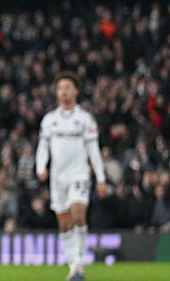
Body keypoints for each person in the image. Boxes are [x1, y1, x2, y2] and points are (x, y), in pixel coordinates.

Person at [36, 72, 107, 281]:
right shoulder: (50, 120)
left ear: (76, 91)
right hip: (57, 178)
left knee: (78, 213)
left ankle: (78, 262)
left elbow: (94, 150)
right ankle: (74, 267)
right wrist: (41, 166)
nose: (64, 92)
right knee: (64, 223)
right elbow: (43, 146)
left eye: (68, 87)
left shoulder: (85, 119)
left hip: (79, 174)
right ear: (56, 92)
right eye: (60, 88)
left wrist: (101, 178)